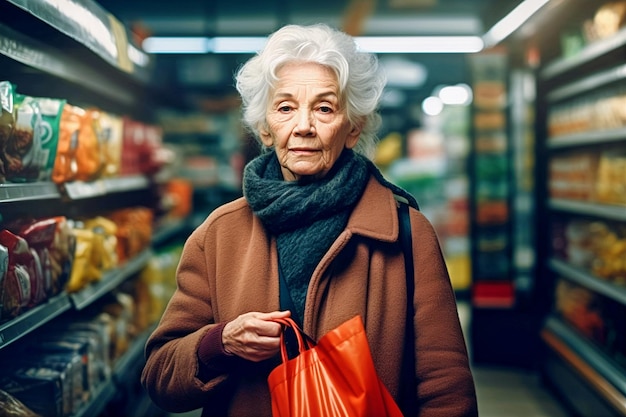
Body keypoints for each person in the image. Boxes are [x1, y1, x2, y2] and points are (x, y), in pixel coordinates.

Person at [141, 23, 478, 417]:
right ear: (265, 129)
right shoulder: (219, 235)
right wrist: (221, 343)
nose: (303, 126)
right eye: (285, 108)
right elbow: (160, 377)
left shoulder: (406, 232)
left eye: (324, 108)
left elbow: (447, 389)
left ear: (353, 128)